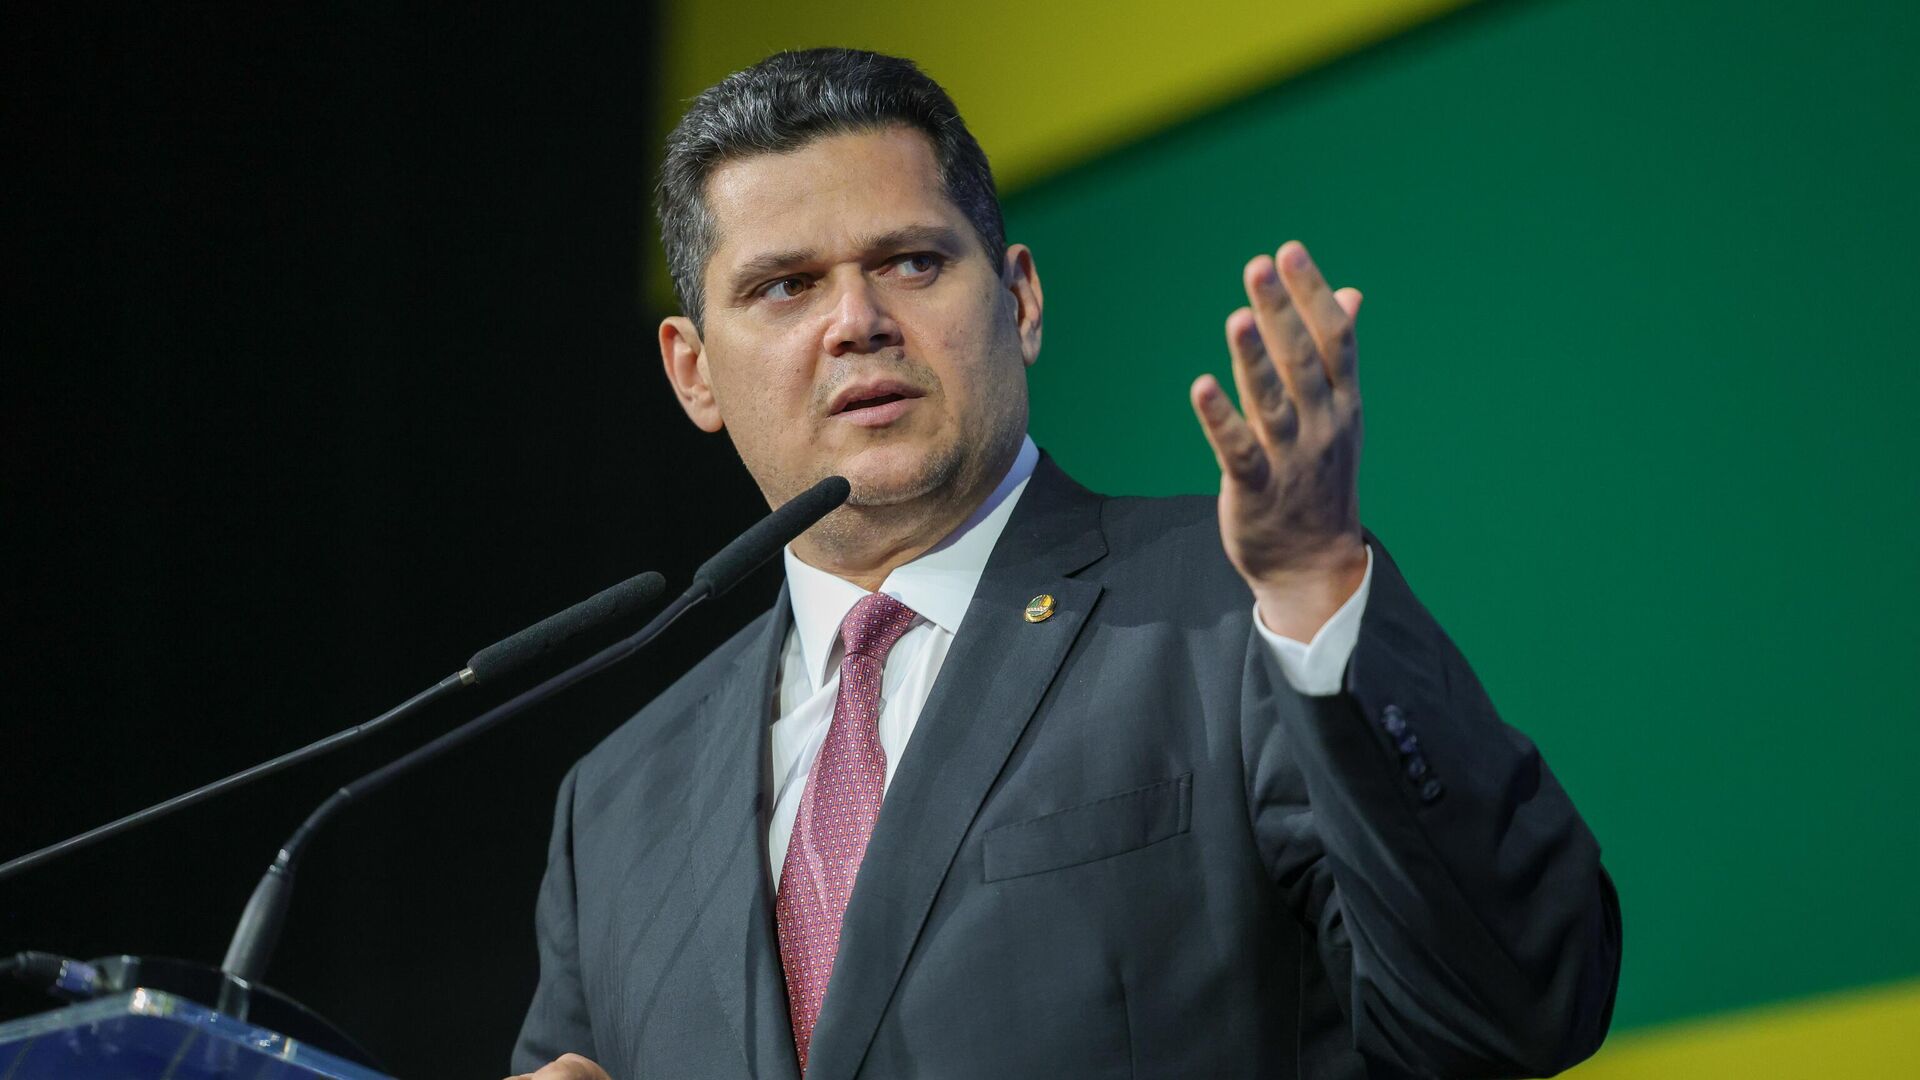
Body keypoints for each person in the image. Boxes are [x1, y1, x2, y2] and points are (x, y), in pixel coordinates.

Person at [509, 47, 1620, 1080]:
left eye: (911, 261)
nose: (857, 321)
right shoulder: (615, 805)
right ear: (694, 372)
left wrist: (1320, 599)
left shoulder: (1239, 607)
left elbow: (1518, 1003)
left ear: (1021, 299)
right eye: (785, 286)